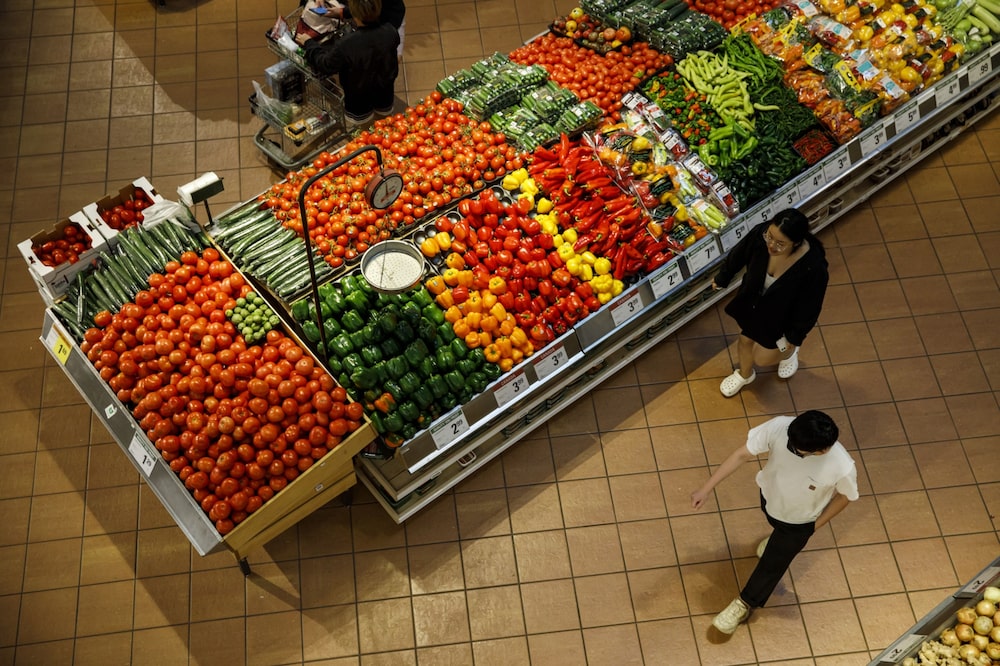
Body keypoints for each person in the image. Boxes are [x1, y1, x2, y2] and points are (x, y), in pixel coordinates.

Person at [690, 410, 858, 634]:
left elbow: (846, 497)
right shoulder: (780, 426)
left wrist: (812, 528)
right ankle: (775, 538)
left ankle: (744, 603)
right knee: (775, 532)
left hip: (799, 522)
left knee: (771, 566)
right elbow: (742, 454)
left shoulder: (842, 466)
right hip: (770, 499)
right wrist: (706, 488)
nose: (794, 452)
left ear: (823, 450)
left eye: (801, 453)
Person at [711, 208, 828, 397]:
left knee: (763, 358)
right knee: (745, 339)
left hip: (782, 317)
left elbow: (811, 306)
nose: (772, 246)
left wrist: (794, 337)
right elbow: (740, 253)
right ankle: (744, 374)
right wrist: (723, 276)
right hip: (754, 302)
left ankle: (790, 353)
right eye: (770, 237)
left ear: (796, 243)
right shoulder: (761, 234)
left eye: (781, 243)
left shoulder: (813, 267)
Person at [296, 0, 400, 127]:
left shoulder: (347, 44)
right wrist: (343, 12)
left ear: (354, 13)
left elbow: (325, 64)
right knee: (385, 121)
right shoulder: (390, 31)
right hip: (385, 93)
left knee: (363, 129)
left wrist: (309, 43)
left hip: (358, 99)